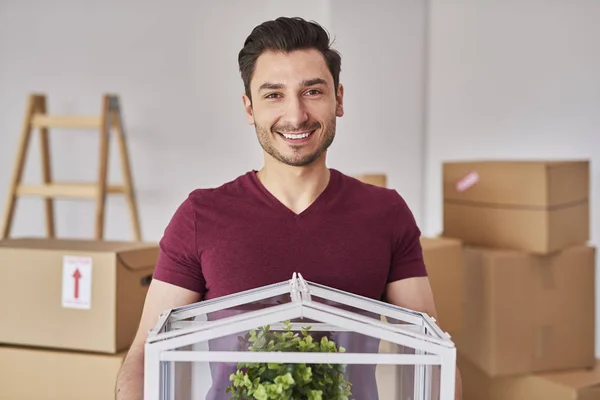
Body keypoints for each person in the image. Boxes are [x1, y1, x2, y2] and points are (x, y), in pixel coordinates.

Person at [115, 16, 462, 400]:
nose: (296, 115)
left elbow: (432, 355)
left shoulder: (385, 213)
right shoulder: (201, 215)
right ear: (249, 108)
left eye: (312, 91)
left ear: (339, 99)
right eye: (273, 94)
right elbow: (144, 357)